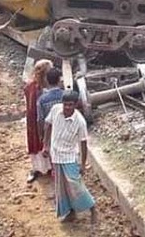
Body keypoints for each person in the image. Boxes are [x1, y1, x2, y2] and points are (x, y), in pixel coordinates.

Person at [43, 91, 96, 225]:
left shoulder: (80, 122)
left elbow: (83, 143)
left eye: (70, 105)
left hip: (70, 157)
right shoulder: (55, 110)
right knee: (62, 188)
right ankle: (71, 213)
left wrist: (83, 164)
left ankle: (93, 208)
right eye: (65, 104)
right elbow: (47, 125)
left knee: (75, 185)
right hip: (56, 156)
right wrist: (46, 145)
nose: (67, 108)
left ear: (76, 105)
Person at [23, 59, 53, 183]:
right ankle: (40, 168)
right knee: (43, 141)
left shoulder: (30, 86)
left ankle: (45, 168)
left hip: (35, 120)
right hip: (38, 120)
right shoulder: (36, 88)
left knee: (39, 142)